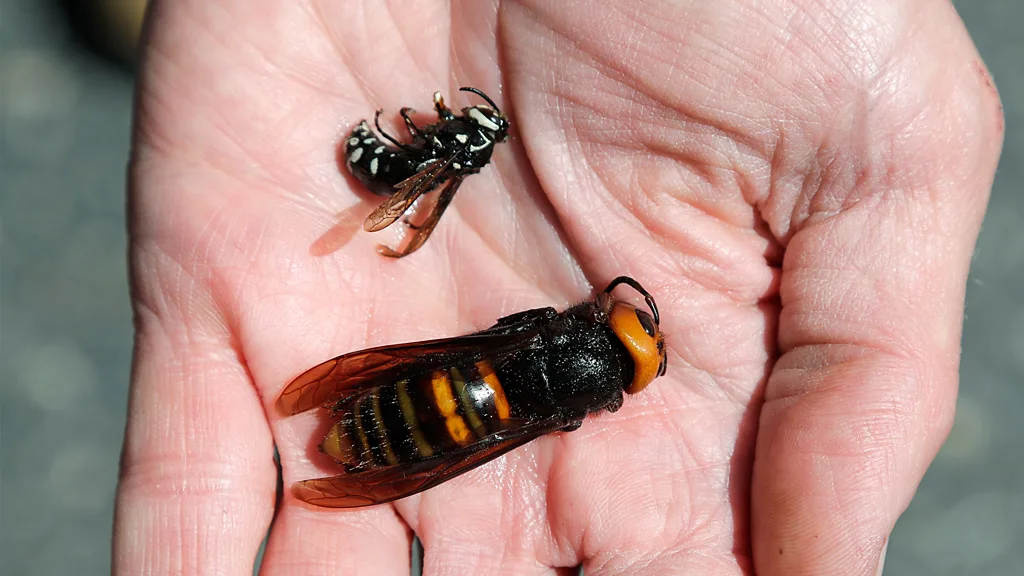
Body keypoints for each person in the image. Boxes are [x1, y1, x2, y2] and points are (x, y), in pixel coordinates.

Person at [112, 1, 1004, 574]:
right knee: (464, 422)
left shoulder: (549, 333)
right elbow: (534, 389)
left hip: (443, 375)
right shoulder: (577, 398)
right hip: (464, 412)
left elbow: (510, 335)